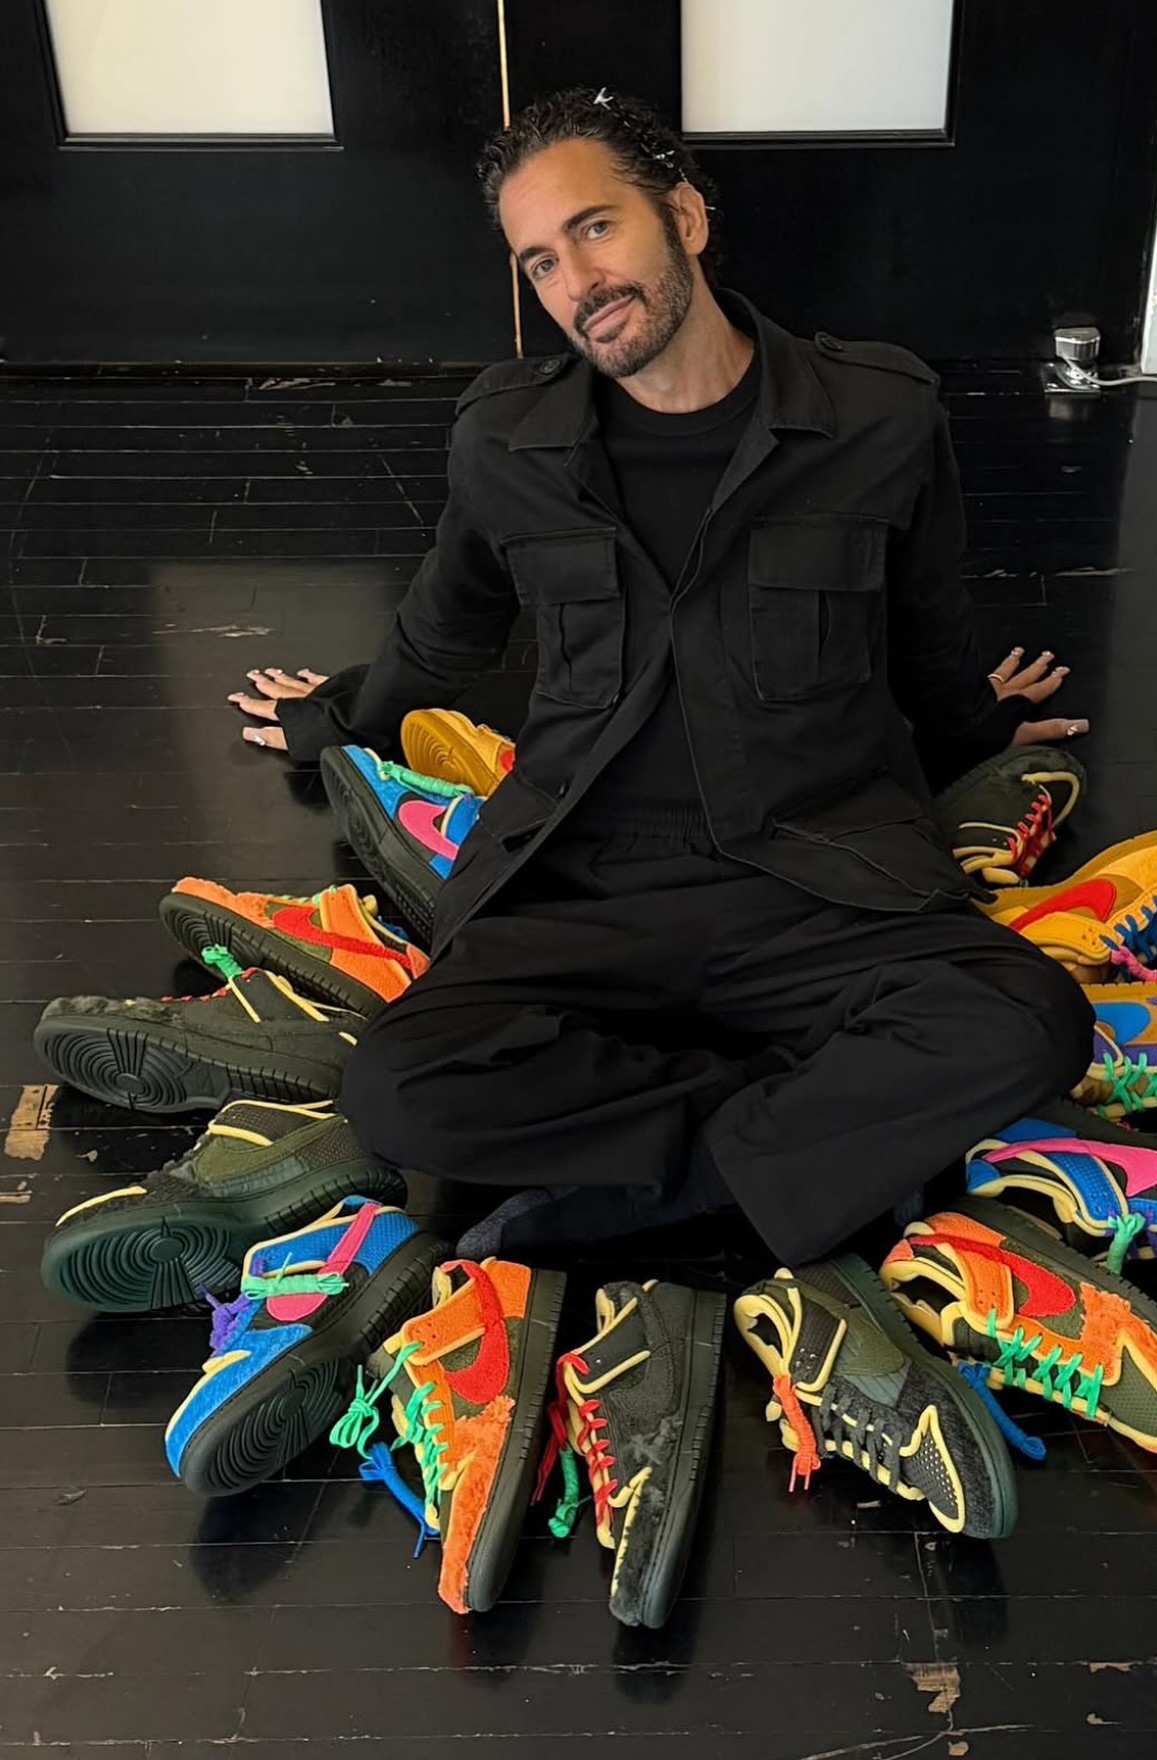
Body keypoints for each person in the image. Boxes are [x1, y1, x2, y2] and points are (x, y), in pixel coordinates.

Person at [226, 87, 1096, 1265]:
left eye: (596, 228)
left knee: (1031, 1019)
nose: (577, 282)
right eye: (540, 261)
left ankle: (644, 1185)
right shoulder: (507, 442)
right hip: (583, 885)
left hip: (815, 869)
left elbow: (922, 636)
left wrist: (980, 727)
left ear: (683, 216)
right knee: (399, 1087)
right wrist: (332, 720)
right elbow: (443, 630)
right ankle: (796, 1137)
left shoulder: (880, 416)